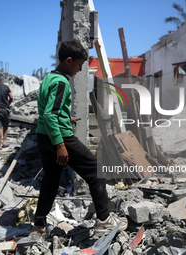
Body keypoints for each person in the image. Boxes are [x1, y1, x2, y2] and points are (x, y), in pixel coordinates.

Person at [32, 40, 127, 237]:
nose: (80, 68)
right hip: (60, 138)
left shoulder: (49, 78)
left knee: (50, 181)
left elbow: (48, 109)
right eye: (79, 64)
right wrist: (60, 144)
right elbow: (51, 115)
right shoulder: (62, 82)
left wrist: (67, 116)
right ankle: (104, 220)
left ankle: (39, 225)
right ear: (68, 61)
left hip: (43, 136)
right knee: (97, 171)